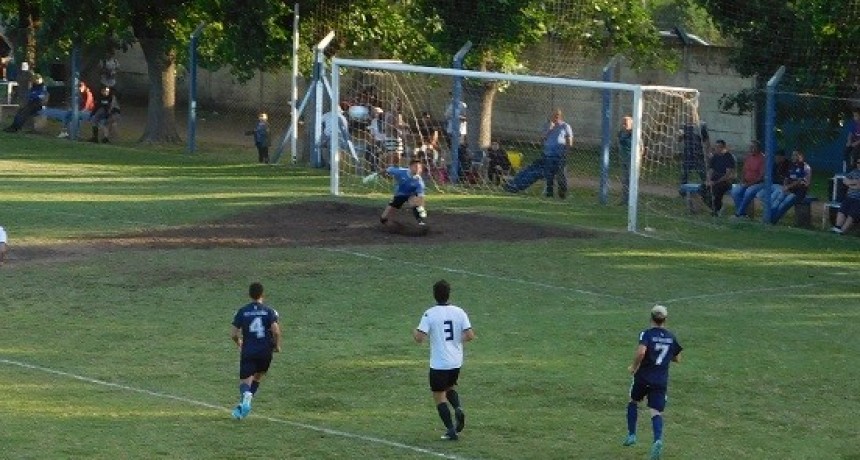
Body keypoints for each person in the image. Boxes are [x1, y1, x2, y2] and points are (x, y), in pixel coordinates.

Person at [413, 279, 475, 441]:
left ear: (434, 295)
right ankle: (458, 408)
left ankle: (451, 431)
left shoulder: (430, 313)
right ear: (448, 295)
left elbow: (419, 338)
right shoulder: (459, 312)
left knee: (439, 395)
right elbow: (470, 335)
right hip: (456, 361)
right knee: (449, 387)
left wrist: (415, 332)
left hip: (439, 363)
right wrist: (455, 340)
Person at [623, 305, 683, 460]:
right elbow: (677, 358)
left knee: (633, 401)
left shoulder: (647, 334)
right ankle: (657, 440)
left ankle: (631, 435)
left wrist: (633, 366)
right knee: (656, 412)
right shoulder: (671, 336)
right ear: (665, 320)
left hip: (643, 377)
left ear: (651, 318)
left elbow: (642, 351)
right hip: (660, 380)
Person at [229, 282, 282, 420]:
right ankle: (242, 409)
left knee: (245, 383)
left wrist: (238, 342)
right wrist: (276, 346)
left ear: (249, 295)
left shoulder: (242, 311)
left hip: (249, 351)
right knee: (257, 377)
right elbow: (276, 331)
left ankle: (246, 397)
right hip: (265, 351)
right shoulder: (269, 311)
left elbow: (234, 334)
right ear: (262, 294)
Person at [504, 109, 574, 198]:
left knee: (536, 173)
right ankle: (512, 184)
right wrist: (549, 129)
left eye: (555, 116)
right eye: (551, 116)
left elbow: (569, 142)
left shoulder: (565, 126)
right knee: (529, 168)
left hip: (557, 158)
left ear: (559, 116)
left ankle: (517, 187)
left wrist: (565, 156)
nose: (553, 118)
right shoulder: (547, 126)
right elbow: (541, 140)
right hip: (545, 156)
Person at [763, 150, 811, 224]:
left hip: (798, 192)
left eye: (795, 155)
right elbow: (786, 178)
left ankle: (772, 221)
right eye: (792, 155)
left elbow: (799, 181)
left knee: (784, 204)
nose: (793, 157)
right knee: (776, 202)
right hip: (788, 189)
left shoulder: (805, 167)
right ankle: (767, 218)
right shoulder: (791, 166)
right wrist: (785, 186)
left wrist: (787, 187)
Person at [379, 158, 427, 226]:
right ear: (410, 167)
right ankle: (385, 221)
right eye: (415, 166)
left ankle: (420, 222)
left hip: (411, 195)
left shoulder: (419, 182)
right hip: (400, 194)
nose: (417, 169)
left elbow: (420, 197)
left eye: (419, 168)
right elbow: (388, 169)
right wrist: (376, 174)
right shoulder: (401, 171)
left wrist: (421, 209)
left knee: (416, 205)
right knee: (384, 217)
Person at [731, 140, 766, 218]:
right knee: (735, 191)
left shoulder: (763, 158)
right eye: (750, 147)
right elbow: (744, 171)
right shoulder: (748, 157)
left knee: (748, 192)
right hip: (746, 182)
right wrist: (742, 180)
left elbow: (761, 177)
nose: (751, 149)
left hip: (758, 183)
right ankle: (743, 214)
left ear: (758, 148)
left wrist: (749, 184)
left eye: (753, 147)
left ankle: (738, 213)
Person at [704, 140, 736, 216]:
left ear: (724, 147)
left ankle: (716, 210)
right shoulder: (715, 157)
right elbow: (711, 170)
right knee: (702, 189)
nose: (717, 148)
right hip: (714, 180)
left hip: (725, 181)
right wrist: (708, 180)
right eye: (716, 147)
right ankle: (716, 208)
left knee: (716, 189)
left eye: (719, 147)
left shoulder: (729, 157)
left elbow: (728, 175)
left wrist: (715, 182)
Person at [679, 112, 709, 186]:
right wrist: (680, 135)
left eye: (693, 114)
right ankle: (683, 189)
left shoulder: (701, 125)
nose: (691, 116)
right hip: (688, 153)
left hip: (699, 153)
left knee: (702, 172)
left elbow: (706, 140)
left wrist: (707, 151)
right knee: (685, 172)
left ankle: (705, 187)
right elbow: (679, 139)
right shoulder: (684, 125)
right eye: (690, 114)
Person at [831, 159, 860, 234]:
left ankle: (842, 231)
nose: (858, 164)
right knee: (842, 210)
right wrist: (854, 183)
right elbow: (845, 181)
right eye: (858, 162)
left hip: (858, 199)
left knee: (852, 214)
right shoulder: (854, 172)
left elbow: (858, 187)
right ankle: (837, 227)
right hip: (849, 196)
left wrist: (850, 184)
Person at [618, 116, 634, 204]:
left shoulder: (635, 134)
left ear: (631, 124)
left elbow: (641, 147)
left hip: (631, 159)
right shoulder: (621, 133)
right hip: (623, 158)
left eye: (626, 124)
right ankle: (624, 200)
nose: (624, 125)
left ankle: (632, 200)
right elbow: (620, 143)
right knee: (625, 180)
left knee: (631, 180)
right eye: (623, 123)